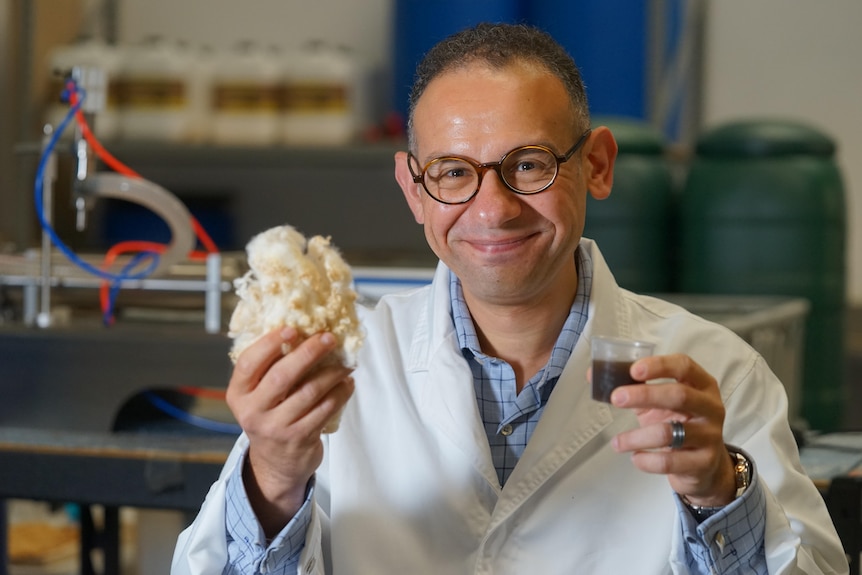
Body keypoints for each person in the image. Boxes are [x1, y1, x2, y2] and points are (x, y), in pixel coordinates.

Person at [172, 23, 848, 575]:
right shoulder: (343, 368)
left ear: (597, 165)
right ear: (413, 188)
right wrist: (272, 478)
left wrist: (719, 493)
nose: (491, 208)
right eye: (453, 172)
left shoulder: (715, 371)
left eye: (528, 164)